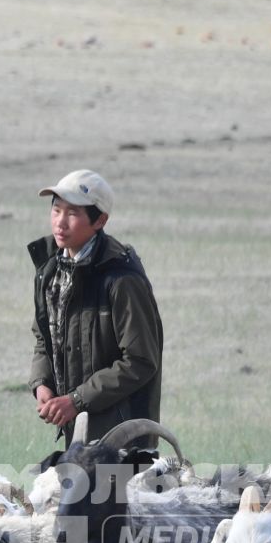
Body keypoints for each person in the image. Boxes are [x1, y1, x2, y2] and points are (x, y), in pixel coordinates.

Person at [27, 169, 163, 446]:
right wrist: (41, 382)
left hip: (123, 440)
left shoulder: (122, 280)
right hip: (78, 434)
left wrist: (76, 401)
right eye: (56, 210)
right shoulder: (51, 271)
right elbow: (44, 336)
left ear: (100, 220)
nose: (60, 223)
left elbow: (140, 360)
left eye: (73, 213)